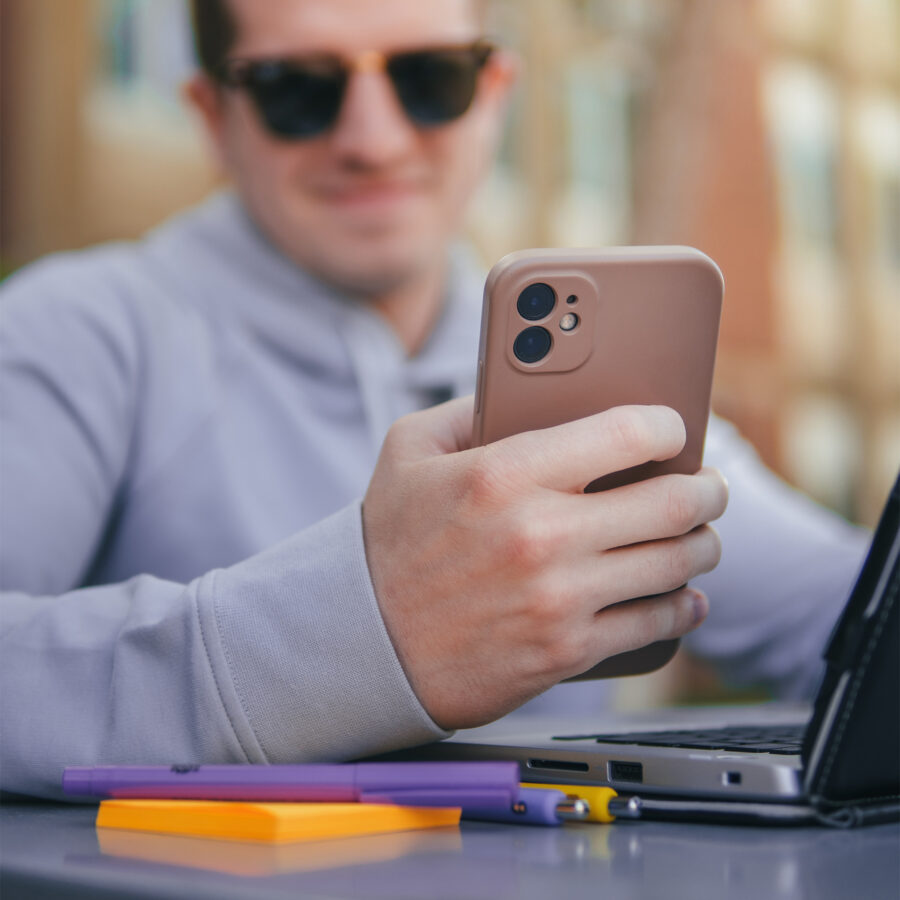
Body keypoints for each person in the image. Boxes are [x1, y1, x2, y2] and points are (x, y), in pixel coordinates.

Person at [0, 0, 867, 799]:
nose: (372, 140)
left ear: (494, 93)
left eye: (429, 79)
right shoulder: (79, 330)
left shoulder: (594, 372)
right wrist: (359, 632)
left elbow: (844, 611)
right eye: (298, 90)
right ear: (212, 118)